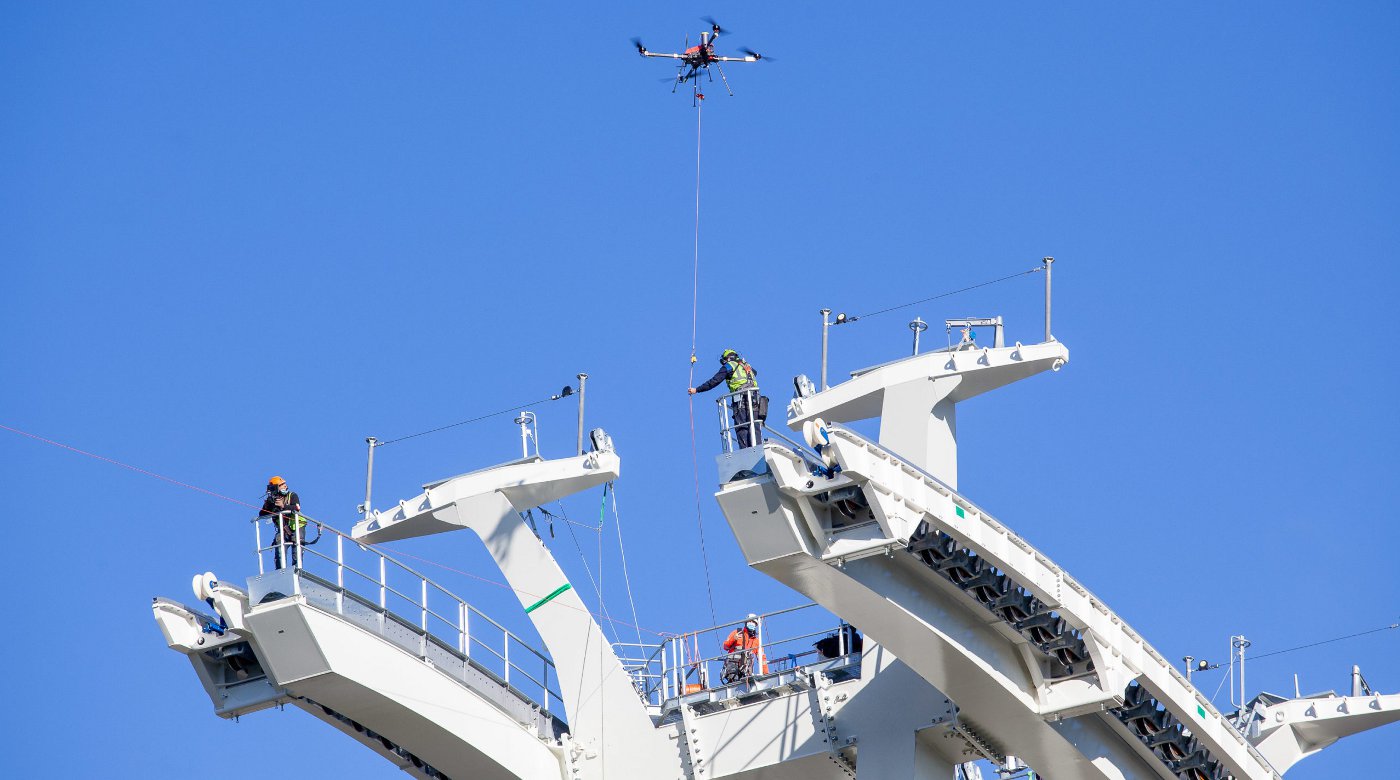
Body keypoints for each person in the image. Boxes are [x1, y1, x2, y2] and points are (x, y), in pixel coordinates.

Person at [689, 349, 764, 448]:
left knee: (741, 426)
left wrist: (697, 390)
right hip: (755, 399)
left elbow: (715, 381)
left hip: (741, 399)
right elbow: (755, 372)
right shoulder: (747, 367)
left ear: (727, 359)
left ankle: (745, 450)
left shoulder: (730, 366)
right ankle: (757, 447)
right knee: (754, 425)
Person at [260, 475, 304, 569]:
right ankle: (280, 571)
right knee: (279, 547)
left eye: (284, 484)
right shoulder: (272, 500)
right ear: (276, 488)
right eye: (282, 484)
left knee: (297, 550)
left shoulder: (292, 495)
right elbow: (262, 514)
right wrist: (268, 505)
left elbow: (296, 507)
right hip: (283, 529)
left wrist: (283, 506)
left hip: (297, 526)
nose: (285, 486)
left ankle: (297, 571)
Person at [721, 613, 768, 681]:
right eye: (750, 621)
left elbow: (762, 658)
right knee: (734, 682)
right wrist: (733, 639)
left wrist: (766, 673)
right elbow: (725, 646)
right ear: (746, 623)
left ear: (756, 625)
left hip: (746, 670)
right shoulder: (737, 633)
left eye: (753, 622)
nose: (751, 623)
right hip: (733, 666)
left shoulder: (756, 641)